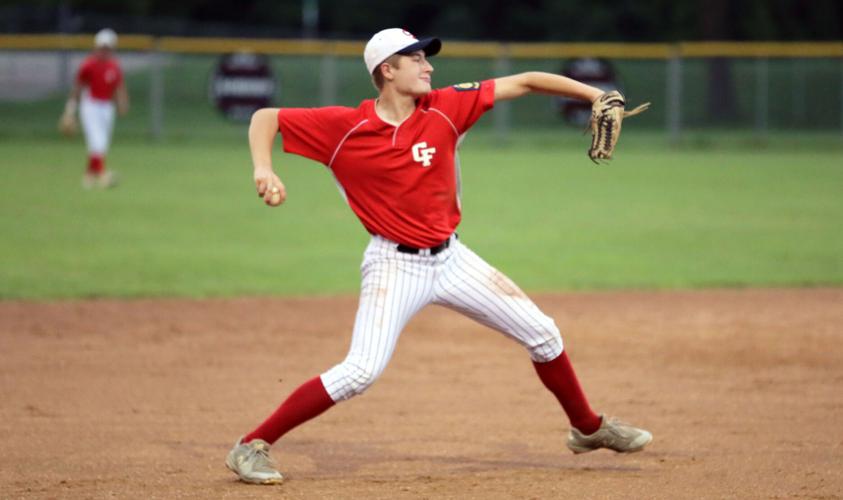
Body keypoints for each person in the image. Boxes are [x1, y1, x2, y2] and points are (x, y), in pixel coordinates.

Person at [226, 28, 652, 485]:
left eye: (427, 58)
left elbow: (526, 80)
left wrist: (596, 94)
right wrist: (263, 167)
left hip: (452, 259)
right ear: (386, 71)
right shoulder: (344, 127)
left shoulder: (446, 108)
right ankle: (251, 444)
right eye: (415, 59)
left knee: (544, 334)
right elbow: (265, 117)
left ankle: (587, 428)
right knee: (361, 371)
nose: (429, 66)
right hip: (393, 265)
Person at [59, 28, 128, 189]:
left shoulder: (114, 66)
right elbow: (77, 88)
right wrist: (70, 110)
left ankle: (89, 176)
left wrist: (122, 103)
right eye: (102, 47)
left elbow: (118, 87)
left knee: (102, 143)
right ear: (96, 47)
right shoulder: (88, 65)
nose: (105, 51)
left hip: (107, 107)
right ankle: (103, 175)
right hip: (90, 105)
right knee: (97, 141)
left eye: (108, 48)